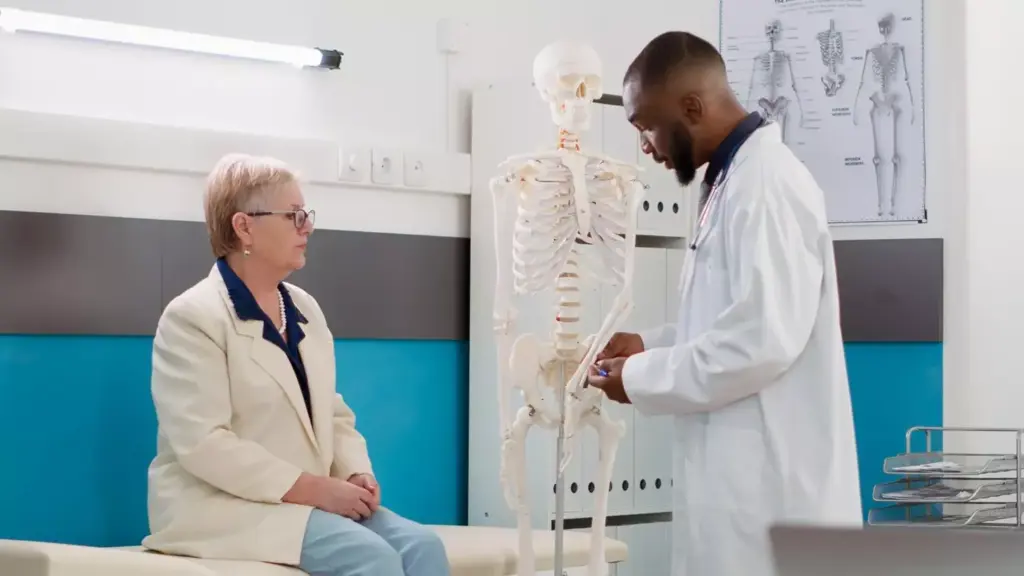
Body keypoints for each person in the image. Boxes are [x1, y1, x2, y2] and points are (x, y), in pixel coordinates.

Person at [587, 31, 862, 576]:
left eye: (646, 125)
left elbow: (760, 341)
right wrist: (649, 344)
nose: (645, 145)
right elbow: (730, 318)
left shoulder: (766, 184)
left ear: (692, 106)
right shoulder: (730, 182)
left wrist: (640, 376)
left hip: (773, 492)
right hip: (740, 489)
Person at [142, 154, 450, 576]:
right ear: (244, 225)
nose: (307, 226)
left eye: (305, 214)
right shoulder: (193, 317)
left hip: (306, 501)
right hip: (220, 507)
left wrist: (356, 472)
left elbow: (332, 411)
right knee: (370, 556)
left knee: (423, 547)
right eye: (293, 215)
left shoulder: (304, 308)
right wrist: (315, 490)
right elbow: (204, 443)